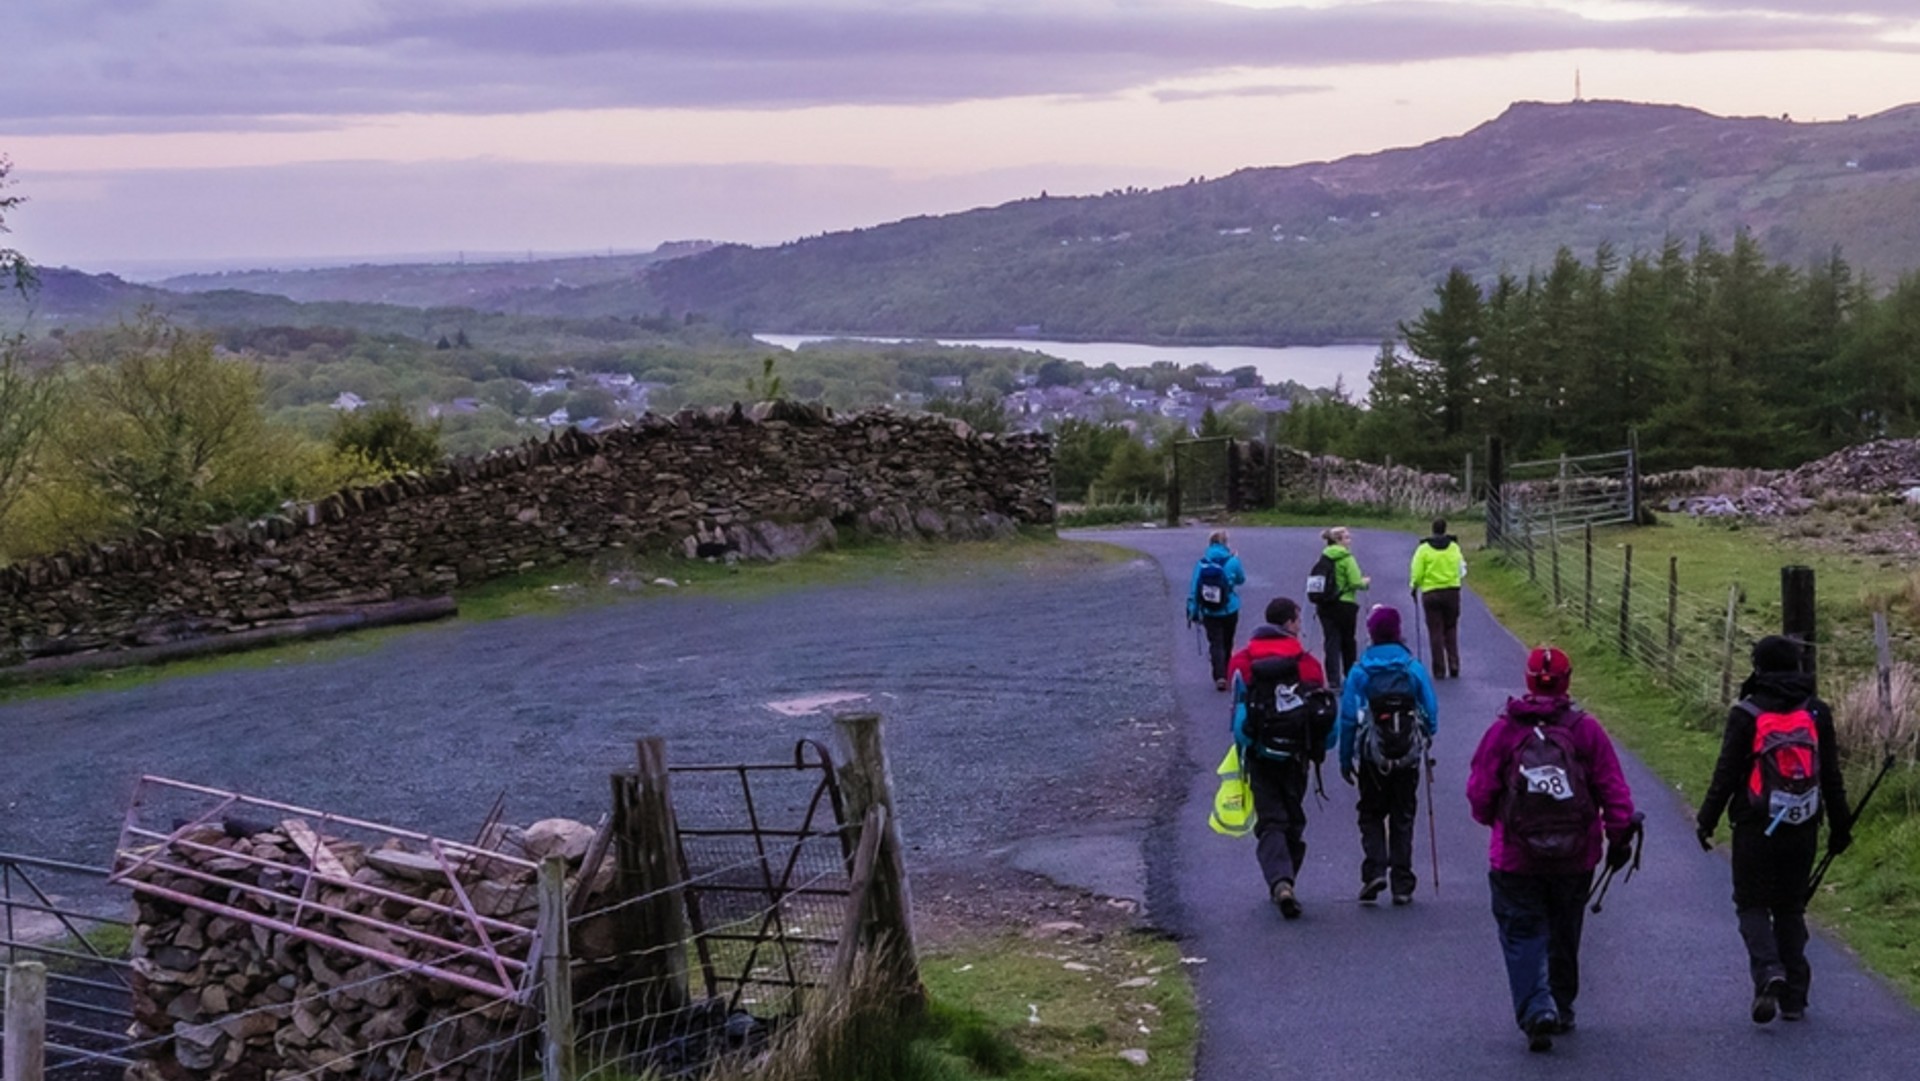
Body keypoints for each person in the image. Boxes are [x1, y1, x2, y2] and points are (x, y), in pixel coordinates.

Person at [1467, 646, 1636, 1053]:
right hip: (1575, 855)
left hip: (1515, 856)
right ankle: (1561, 1003)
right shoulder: (1585, 730)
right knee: (1565, 927)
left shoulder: (1505, 730)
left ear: (1527, 680)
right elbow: (1613, 788)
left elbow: (1479, 792)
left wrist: (1499, 821)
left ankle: (1535, 1007)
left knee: (1521, 929)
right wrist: (1618, 834)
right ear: (1568, 680)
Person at [1694, 635, 1852, 1025]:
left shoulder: (1746, 713)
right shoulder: (1817, 711)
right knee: (1790, 906)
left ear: (1759, 667)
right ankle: (1795, 999)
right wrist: (1840, 826)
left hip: (1755, 825)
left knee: (1751, 903)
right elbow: (1830, 774)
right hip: (1803, 824)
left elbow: (1727, 774)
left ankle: (1768, 971)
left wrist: (1707, 819)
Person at [1227, 597, 1332, 920]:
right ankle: (1286, 878)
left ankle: (1280, 880)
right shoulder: (1308, 663)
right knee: (1292, 814)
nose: (1300, 627)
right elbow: (1321, 710)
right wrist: (1320, 749)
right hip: (1297, 752)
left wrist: (1245, 743)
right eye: (1298, 622)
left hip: (1260, 751)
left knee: (1270, 817)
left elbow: (1238, 712)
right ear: (1288, 624)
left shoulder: (1242, 661)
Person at [1338, 605, 1439, 905]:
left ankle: (1374, 871)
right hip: (1407, 753)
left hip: (1373, 756)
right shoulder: (1411, 667)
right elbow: (1431, 711)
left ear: (1370, 632)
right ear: (1397, 630)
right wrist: (1426, 736)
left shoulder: (1360, 670)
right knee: (1403, 814)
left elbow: (1346, 719)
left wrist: (1346, 759)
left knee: (1370, 812)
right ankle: (1402, 884)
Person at [1187, 530, 1247, 691]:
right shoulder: (1233, 561)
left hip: (1209, 611)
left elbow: (1194, 588)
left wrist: (1192, 609)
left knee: (1215, 642)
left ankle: (1218, 675)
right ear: (1226, 542)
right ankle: (1226, 672)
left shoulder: (1202, 563)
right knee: (1228, 641)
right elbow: (1242, 579)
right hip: (1229, 608)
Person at [1409, 518, 1466, 678]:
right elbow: (1461, 568)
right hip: (1451, 591)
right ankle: (1454, 662)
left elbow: (1417, 571)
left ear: (1432, 530)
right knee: (1451, 628)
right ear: (1445, 529)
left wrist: (1414, 586)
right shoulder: (1454, 547)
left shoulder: (1424, 549)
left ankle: (1439, 669)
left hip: (1431, 593)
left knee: (1435, 631)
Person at [1315, 526, 1369, 686]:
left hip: (1325, 605)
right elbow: (1354, 582)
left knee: (1331, 641)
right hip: (1345, 603)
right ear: (1338, 540)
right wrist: (1364, 583)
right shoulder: (1346, 558)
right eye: (1346, 538)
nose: (1349, 541)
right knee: (1348, 641)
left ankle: (1333, 679)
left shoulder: (1324, 558)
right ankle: (1350, 675)